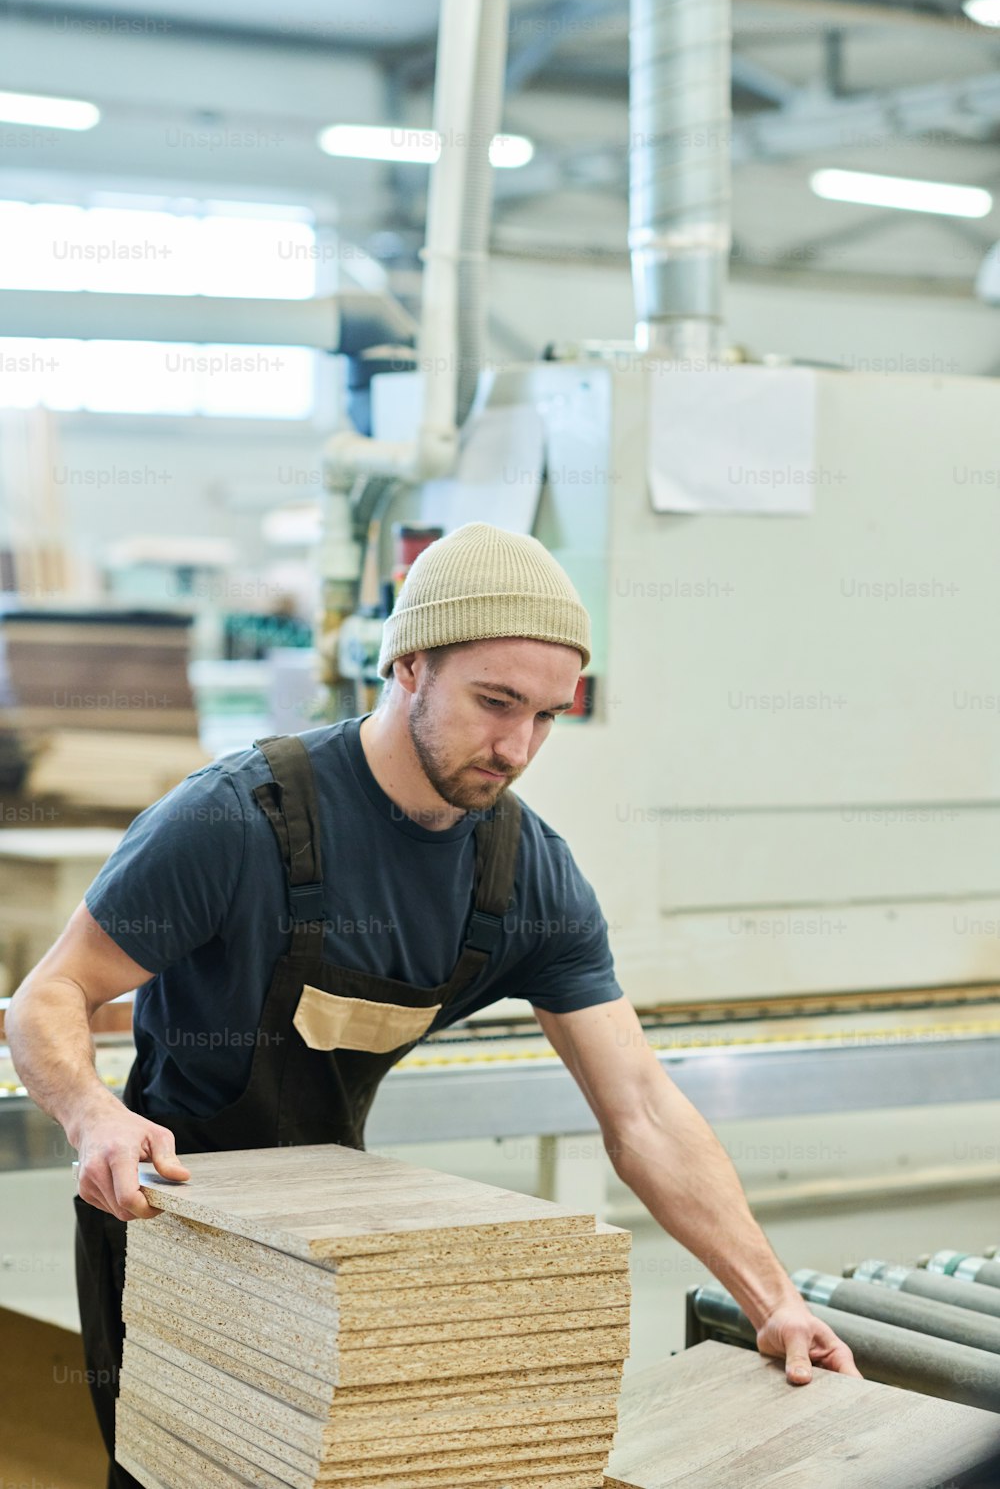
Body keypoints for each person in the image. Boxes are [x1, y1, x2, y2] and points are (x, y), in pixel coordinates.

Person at [7, 521, 858, 1489]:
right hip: (162, 1225)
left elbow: (643, 1109)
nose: (517, 747)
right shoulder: (233, 823)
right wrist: (94, 1116)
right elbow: (50, 994)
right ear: (408, 665)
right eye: (494, 702)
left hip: (332, 1242)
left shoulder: (525, 875)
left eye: (546, 715)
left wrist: (772, 1299)